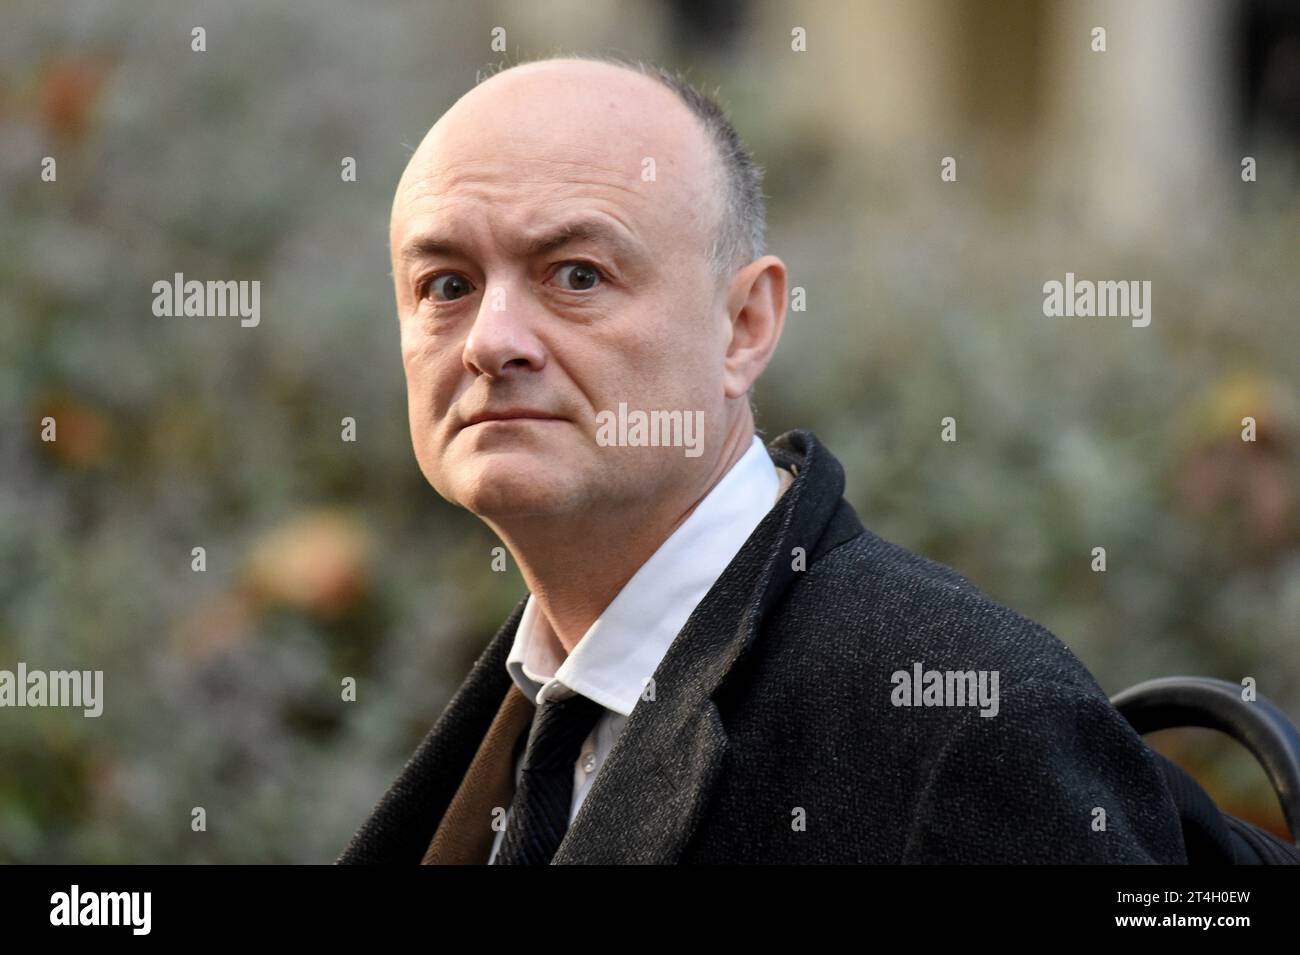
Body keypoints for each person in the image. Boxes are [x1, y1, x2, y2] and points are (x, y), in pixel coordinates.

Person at [337, 55, 1188, 864]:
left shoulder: (967, 722)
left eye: (577, 275)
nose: (492, 342)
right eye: (446, 285)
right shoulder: (532, 703)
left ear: (743, 327)